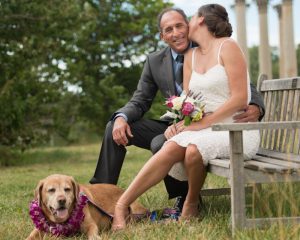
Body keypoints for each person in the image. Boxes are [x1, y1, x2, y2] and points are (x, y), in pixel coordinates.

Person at [90, 7, 264, 213]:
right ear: (162, 36)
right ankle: (98, 197)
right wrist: (122, 117)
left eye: (180, 25)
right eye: (169, 29)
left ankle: (185, 199)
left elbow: (241, 83)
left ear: (189, 26)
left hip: (208, 125)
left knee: (160, 143)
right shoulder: (155, 61)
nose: (176, 33)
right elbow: (140, 100)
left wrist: (256, 105)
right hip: (175, 123)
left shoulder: (210, 46)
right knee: (114, 127)